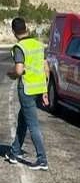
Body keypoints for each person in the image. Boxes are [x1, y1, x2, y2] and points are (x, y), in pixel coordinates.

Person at [5, 17, 50, 170]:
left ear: (13, 31)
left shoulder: (19, 47)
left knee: (33, 125)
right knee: (23, 119)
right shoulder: (38, 45)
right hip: (38, 89)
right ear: (26, 28)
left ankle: (42, 159)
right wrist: (45, 91)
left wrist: (10, 74)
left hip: (27, 89)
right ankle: (14, 152)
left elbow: (18, 70)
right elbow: (46, 67)